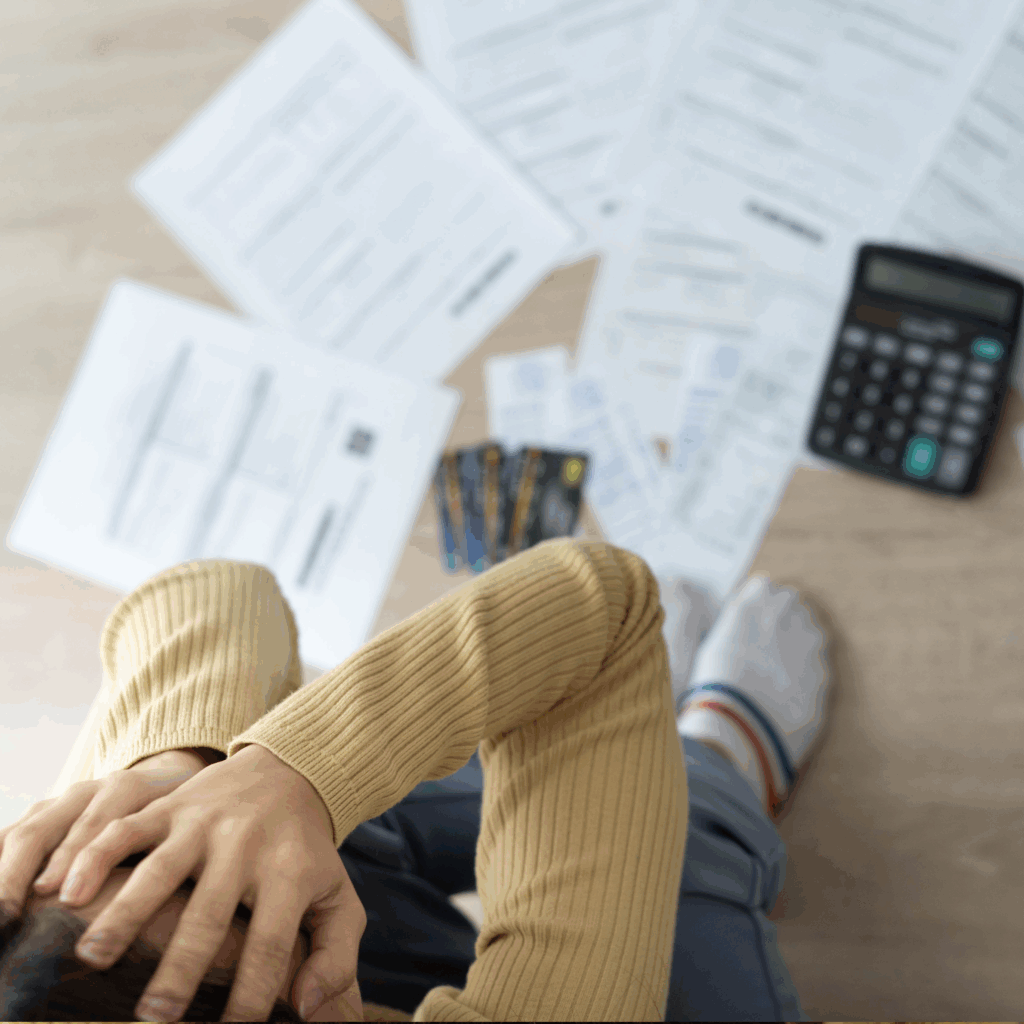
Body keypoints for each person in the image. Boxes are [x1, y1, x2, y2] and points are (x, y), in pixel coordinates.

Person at [0, 537, 833, 1021]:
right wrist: (293, 771)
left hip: (388, 961)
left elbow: (207, 589)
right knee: (687, 845)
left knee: (325, 824)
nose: (170, 841)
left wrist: (187, 766)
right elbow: (608, 613)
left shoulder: (48, 958)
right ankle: (729, 761)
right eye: (241, 903)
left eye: (141, 857)